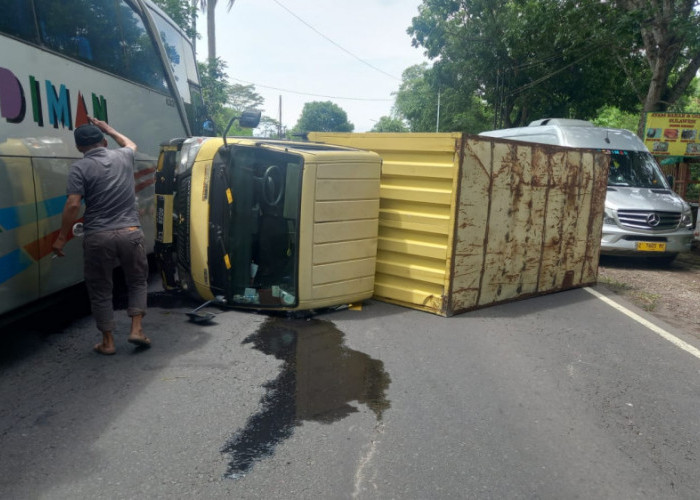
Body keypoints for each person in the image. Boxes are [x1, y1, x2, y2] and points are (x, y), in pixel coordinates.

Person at [52, 117, 151, 355]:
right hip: (130, 232)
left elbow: (73, 204)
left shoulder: (79, 168)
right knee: (137, 281)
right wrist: (108, 127)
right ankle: (136, 329)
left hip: (98, 236)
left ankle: (108, 341)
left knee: (100, 288)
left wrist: (62, 237)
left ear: (79, 148)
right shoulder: (122, 156)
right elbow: (130, 144)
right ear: (104, 141)